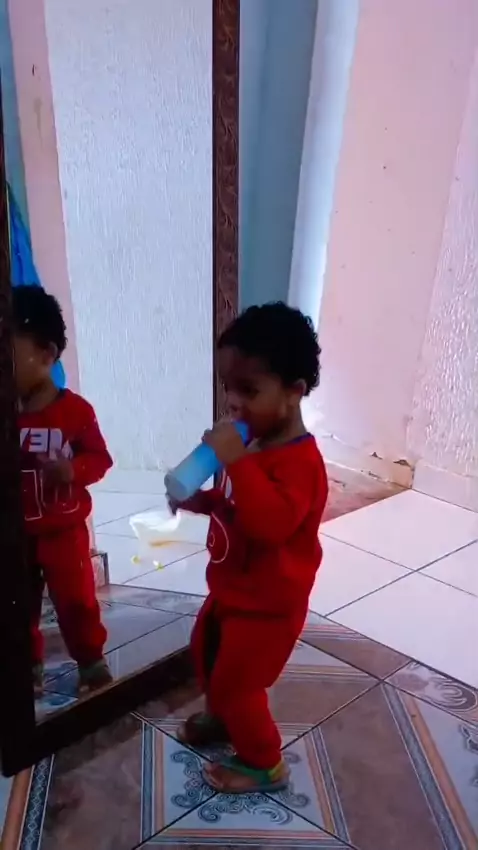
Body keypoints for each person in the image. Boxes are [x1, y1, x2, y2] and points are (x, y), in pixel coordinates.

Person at [170, 301, 328, 794]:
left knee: (240, 682)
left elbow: (271, 524)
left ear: (295, 391)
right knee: (208, 654)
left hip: (269, 605)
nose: (234, 403)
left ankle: (264, 763)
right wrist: (199, 500)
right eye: (228, 388)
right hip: (233, 589)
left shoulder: (299, 464)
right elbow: (234, 504)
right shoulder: (251, 446)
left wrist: (236, 461)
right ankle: (224, 718)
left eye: (250, 390)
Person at [12, 285, 113, 695]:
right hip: (15, 532)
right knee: (17, 603)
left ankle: (91, 661)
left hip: (64, 531)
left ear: (46, 354)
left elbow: (101, 459)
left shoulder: (75, 412)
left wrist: (72, 469)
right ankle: (27, 667)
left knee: (76, 601)